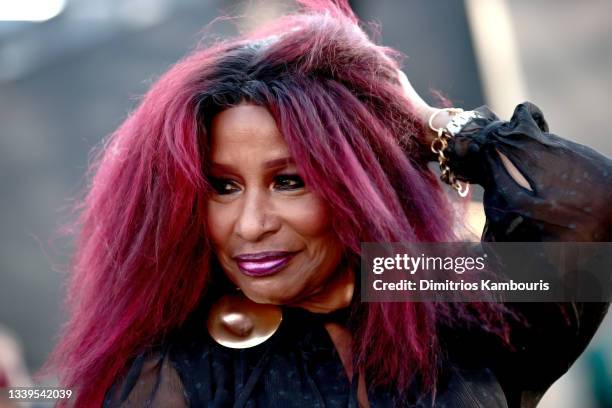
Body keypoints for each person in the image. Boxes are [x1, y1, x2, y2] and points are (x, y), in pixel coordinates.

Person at [41, 1, 612, 407]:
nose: (252, 224)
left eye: (289, 181)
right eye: (222, 187)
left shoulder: (436, 294)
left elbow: (588, 206)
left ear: (352, 184)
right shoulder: (173, 371)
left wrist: (425, 123)